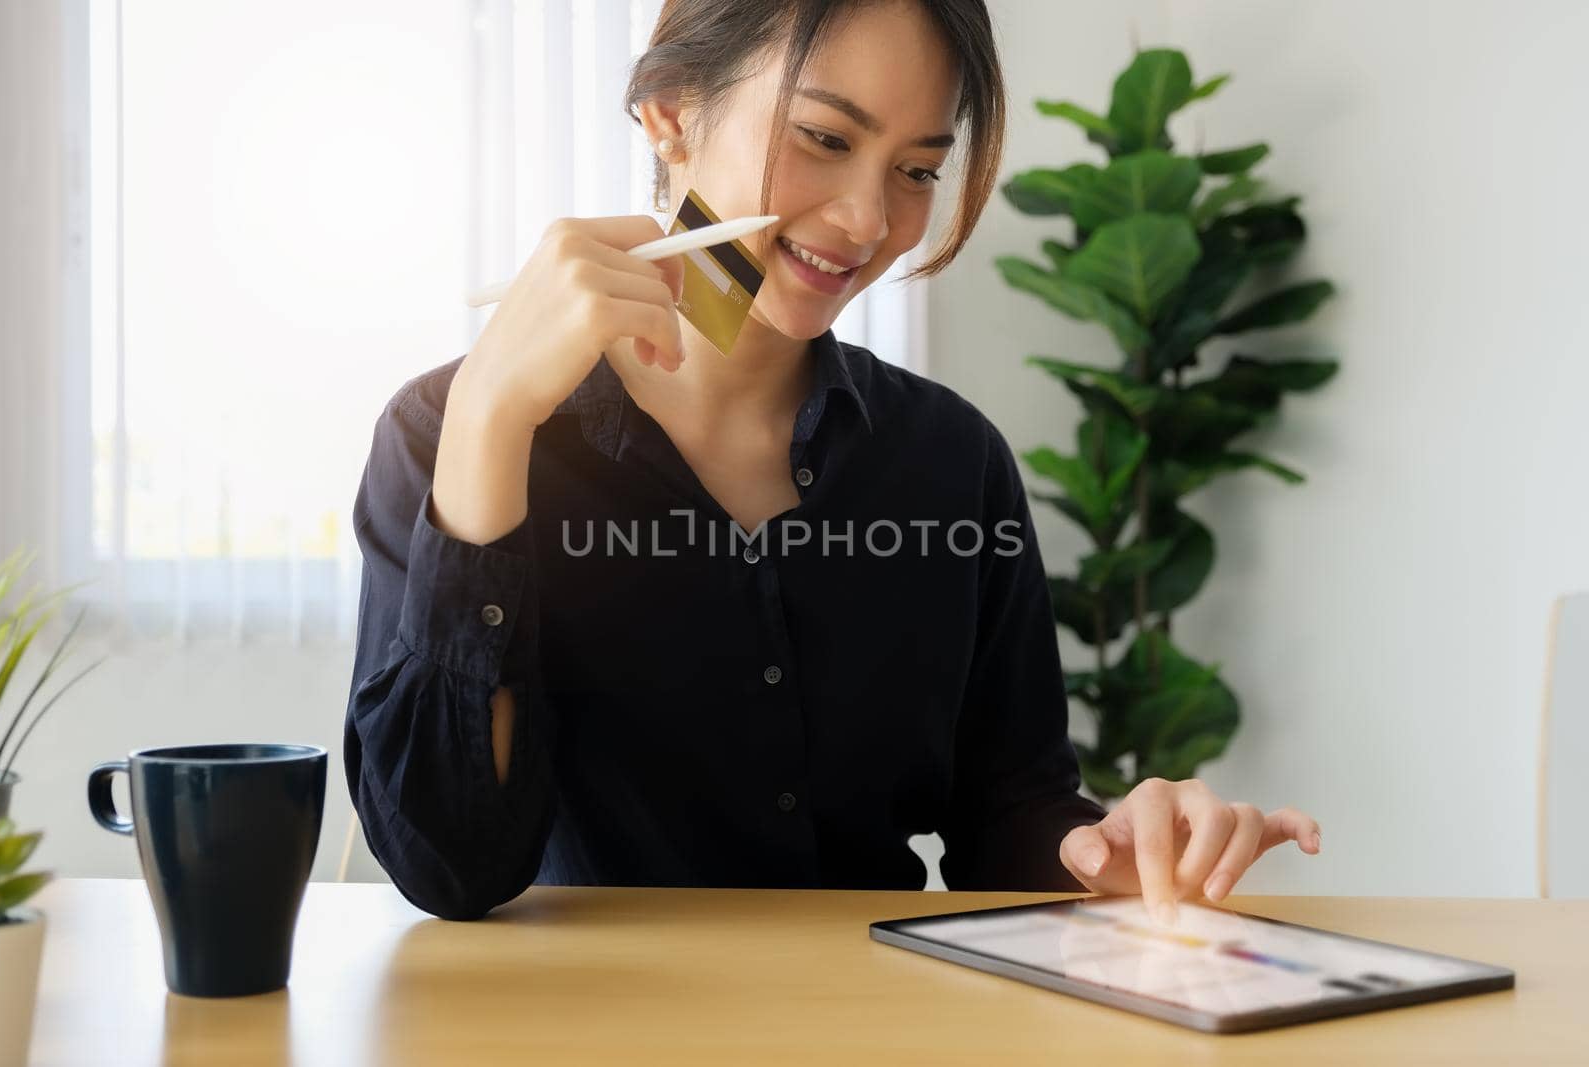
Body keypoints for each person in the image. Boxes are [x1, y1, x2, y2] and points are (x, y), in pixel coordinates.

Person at [345, 0, 1322, 924]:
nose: (867, 221)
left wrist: (1106, 852)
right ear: (671, 115)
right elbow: (449, 862)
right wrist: (491, 419)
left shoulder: (950, 458)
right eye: (824, 138)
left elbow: (1008, 812)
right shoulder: (446, 432)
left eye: (916, 171)